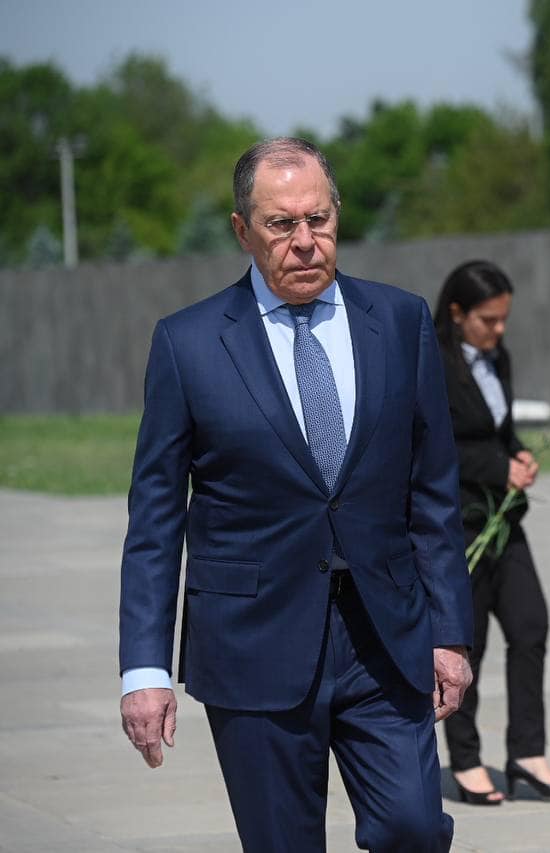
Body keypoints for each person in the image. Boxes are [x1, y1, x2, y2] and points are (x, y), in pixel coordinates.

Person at [117, 137, 473, 853]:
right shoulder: (188, 345)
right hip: (255, 644)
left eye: (320, 218)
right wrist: (144, 668)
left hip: (385, 637)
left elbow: (432, 491)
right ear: (243, 231)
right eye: (282, 224)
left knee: (413, 826)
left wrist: (449, 630)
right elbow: (156, 518)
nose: (306, 241)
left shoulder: (400, 323)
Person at [433, 259, 550, 804]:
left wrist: (518, 453)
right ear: (457, 312)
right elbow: (438, 442)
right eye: (487, 320)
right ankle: (466, 761)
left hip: (504, 520)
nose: (498, 331)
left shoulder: (500, 359)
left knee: (530, 626)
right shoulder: (436, 364)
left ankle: (526, 754)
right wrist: (497, 469)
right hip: (461, 524)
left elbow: (498, 429)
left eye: (503, 320)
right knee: (469, 646)